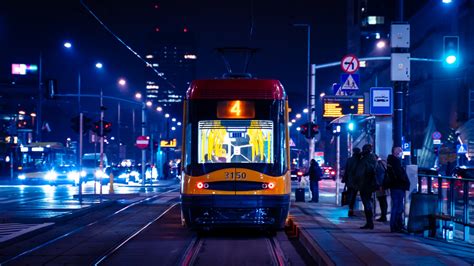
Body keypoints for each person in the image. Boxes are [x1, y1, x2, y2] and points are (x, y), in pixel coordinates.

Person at [386, 146, 411, 233]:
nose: (401, 151)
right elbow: (399, 175)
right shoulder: (395, 162)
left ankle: (396, 226)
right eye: (399, 150)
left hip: (395, 186)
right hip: (398, 186)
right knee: (398, 207)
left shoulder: (391, 161)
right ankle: (396, 226)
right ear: (395, 151)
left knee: (396, 206)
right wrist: (405, 182)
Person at [353, 144, 377, 229]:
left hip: (364, 184)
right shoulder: (373, 158)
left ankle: (369, 223)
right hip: (370, 184)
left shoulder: (364, 160)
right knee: (368, 203)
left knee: (366, 203)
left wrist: (357, 183)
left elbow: (359, 173)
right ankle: (370, 223)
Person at [342, 147, 361, 217]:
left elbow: (346, 170)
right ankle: (352, 210)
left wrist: (344, 179)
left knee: (350, 196)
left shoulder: (349, 160)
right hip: (356, 181)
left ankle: (350, 210)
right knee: (354, 196)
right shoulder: (359, 160)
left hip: (349, 181)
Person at [374, 155, 388, 222]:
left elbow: (379, 176)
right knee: (382, 200)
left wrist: (380, 185)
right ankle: (383, 215)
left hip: (380, 185)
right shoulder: (382, 163)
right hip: (382, 185)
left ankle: (383, 216)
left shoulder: (378, 165)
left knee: (382, 200)